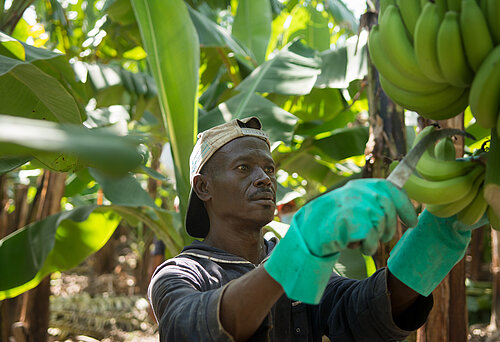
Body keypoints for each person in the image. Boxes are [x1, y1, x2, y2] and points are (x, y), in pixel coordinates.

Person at [148, 117, 486, 341]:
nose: (265, 177)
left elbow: (360, 311)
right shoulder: (179, 274)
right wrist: (296, 252)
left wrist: (436, 238)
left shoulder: (294, 262)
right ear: (204, 187)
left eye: (269, 168)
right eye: (243, 167)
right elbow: (189, 328)